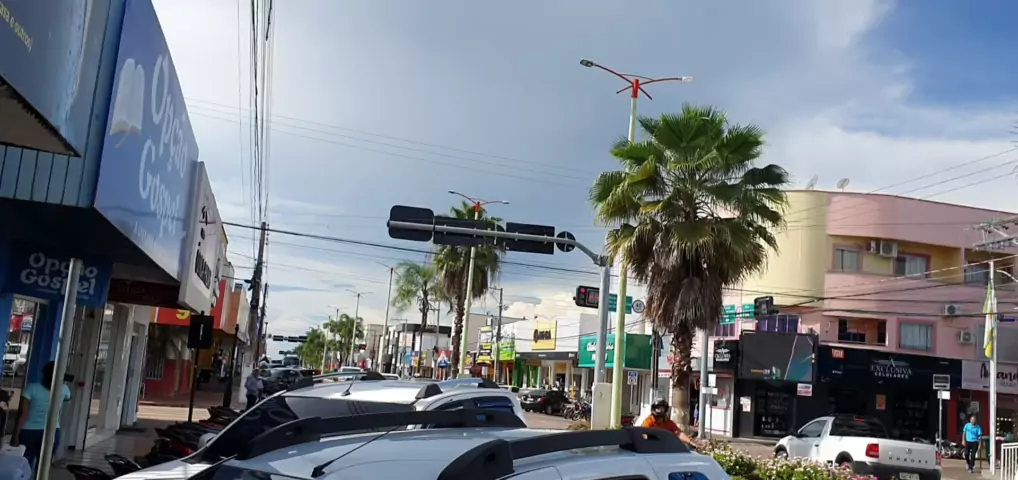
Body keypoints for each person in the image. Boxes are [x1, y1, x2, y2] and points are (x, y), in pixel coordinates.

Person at [11, 361, 71, 471]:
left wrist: (15, 434)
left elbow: (23, 414)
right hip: (52, 431)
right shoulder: (64, 389)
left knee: (26, 464)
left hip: (29, 432)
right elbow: (68, 398)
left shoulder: (31, 388)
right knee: (43, 466)